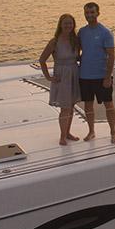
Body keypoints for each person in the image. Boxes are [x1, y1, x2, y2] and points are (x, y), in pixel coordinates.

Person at [77, 1, 115, 143]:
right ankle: (91, 131)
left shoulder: (105, 33)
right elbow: (78, 50)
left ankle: (113, 132)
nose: (89, 15)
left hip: (101, 76)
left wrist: (107, 77)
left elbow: (112, 56)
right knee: (88, 105)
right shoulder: (82, 32)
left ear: (98, 13)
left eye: (92, 12)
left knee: (109, 104)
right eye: (87, 13)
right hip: (85, 75)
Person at [39, 13, 82, 146]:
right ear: (60, 25)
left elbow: (78, 57)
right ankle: (62, 137)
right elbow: (42, 60)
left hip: (74, 74)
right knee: (65, 108)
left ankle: (68, 133)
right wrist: (48, 77)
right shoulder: (54, 41)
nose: (68, 25)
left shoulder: (76, 40)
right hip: (62, 76)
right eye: (65, 23)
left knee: (71, 106)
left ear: (73, 25)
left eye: (70, 23)